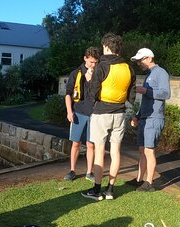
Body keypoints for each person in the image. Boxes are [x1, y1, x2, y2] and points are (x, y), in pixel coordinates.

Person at [82, 32, 134, 201]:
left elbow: (93, 92)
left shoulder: (101, 66)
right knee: (116, 151)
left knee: (99, 151)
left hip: (101, 112)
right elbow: (131, 96)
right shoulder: (128, 67)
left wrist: (89, 79)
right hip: (119, 113)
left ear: (105, 46)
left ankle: (97, 190)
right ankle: (110, 190)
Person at [129, 47, 171, 192]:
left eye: (140, 60)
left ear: (149, 58)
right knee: (142, 149)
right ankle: (140, 179)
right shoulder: (149, 74)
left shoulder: (160, 73)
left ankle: (149, 183)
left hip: (154, 118)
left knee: (148, 150)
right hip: (145, 118)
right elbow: (146, 101)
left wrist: (146, 91)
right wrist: (137, 116)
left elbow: (166, 93)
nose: (139, 63)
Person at [63, 47, 100, 182]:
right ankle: (72, 171)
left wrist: (91, 79)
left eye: (95, 62)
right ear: (85, 58)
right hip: (78, 112)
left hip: (94, 113)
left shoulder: (99, 73)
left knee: (91, 144)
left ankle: (89, 172)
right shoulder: (76, 73)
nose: (93, 65)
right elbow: (68, 94)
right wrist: (69, 111)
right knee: (76, 143)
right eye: (91, 62)